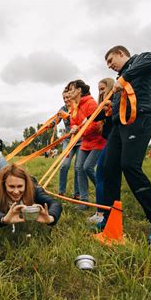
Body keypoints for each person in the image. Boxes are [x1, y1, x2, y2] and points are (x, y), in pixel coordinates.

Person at [102, 45, 151, 244]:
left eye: (110, 61)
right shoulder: (120, 79)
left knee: (130, 166)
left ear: (121, 54)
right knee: (109, 169)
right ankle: (110, 218)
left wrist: (123, 79)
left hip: (140, 118)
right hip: (119, 124)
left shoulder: (142, 59)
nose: (110, 66)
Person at [0, 152, 62, 228]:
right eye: (11, 187)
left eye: (20, 186)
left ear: (26, 184)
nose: (16, 191)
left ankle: (0, 157)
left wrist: (50, 218)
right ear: (4, 185)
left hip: (11, 176)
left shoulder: (33, 188)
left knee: (7, 166)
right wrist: (3, 219)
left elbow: (55, 203)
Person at [68, 80, 107, 210]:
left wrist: (80, 131)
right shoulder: (74, 105)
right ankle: (84, 201)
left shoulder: (90, 103)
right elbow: (73, 120)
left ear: (79, 90)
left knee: (88, 167)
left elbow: (96, 124)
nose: (69, 92)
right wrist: (73, 127)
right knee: (79, 167)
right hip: (85, 141)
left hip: (98, 141)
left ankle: (103, 193)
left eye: (71, 89)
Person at [87, 78, 115, 224]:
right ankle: (106, 212)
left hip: (113, 143)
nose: (101, 92)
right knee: (104, 178)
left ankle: (102, 213)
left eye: (103, 89)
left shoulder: (114, 104)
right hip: (111, 142)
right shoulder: (105, 107)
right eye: (99, 90)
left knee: (101, 176)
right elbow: (94, 117)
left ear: (111, 87)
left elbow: (94, 117)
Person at [57, 88, 81, 199]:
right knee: (64, 165)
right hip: (68, 140)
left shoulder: (79, 106)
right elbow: (56, 120)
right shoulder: (62, 109)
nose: (66, 100)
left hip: (81, 140)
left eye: (68, 97)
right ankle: (61, 191)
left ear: (73, 96)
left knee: (77, 167)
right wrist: (50, 124)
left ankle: (77, 194)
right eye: (64, 98)